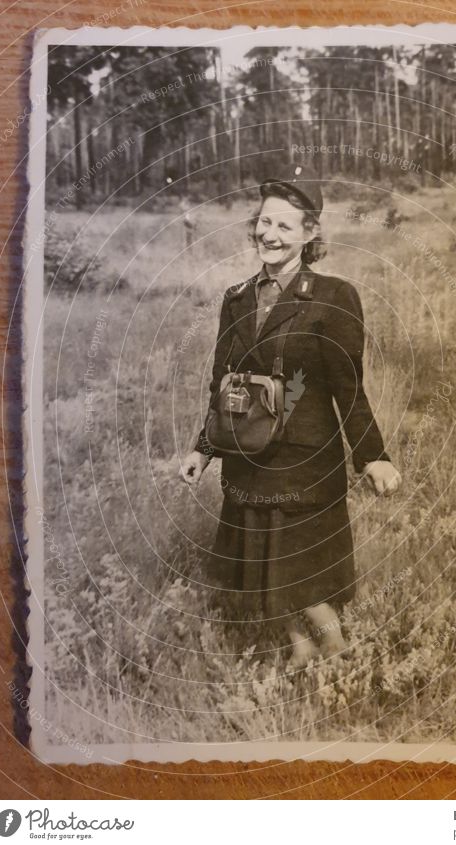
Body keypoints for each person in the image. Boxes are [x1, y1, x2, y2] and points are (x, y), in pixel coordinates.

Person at [180, 164, 401, 669]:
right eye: (264, 222)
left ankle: (338, 655)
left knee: (300, 566)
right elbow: (223, 383)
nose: (269, 234)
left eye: (284, 225)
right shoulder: (236, 299)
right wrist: (203, 448)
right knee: (261, 556)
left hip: (305, 458)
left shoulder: (334, 297)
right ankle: (300, 652)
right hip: (245, 454)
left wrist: (373, 457)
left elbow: (349, 387)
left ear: (310, 233)